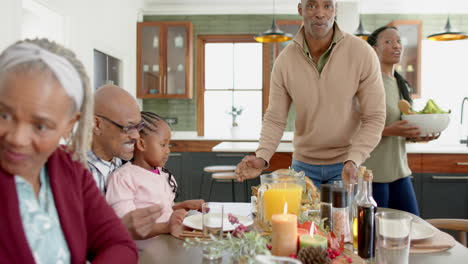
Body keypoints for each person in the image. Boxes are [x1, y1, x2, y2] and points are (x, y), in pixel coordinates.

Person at [0, 39, 137, 263]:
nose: (17, 138)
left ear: (69, 124)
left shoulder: (67, 168)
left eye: (40, 126)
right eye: (3, 115)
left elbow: (118, 244)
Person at [235, 0, 386, 188]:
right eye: (312, 6)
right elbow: (275, 118)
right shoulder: (285, 61)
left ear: (335, 10)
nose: (320, 13)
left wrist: (354, 159)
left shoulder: (362, 53)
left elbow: (374, 117)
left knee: (341, 219)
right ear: (301, 10)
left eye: (327, 6)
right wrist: (262, 157)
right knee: (301, 219)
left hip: (346, 164)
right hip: (302, 166)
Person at [364, 26, 439, 216]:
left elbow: (400, 127)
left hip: (400, 172)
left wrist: (416, 135)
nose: (396, 46)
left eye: (398, 41)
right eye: (388, 42)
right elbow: (353, 128)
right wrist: (391, 131)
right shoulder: (367, 83)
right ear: (374, 49)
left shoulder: (400, 83)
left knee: (412, 227)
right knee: (375, 238)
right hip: (373, 175)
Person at [106, 111, 204, 240]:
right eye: (163, 145)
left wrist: (182, 206)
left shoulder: (162, 174)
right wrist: (167, 226)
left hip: (166, 241)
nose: (168, 150)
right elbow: (127, 226)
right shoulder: (123, 177)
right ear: (141, 144)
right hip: (143, 249)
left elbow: (162, 211)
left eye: (168, 145)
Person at [88, 84, 163, 240]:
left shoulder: (125, 164)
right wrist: (121, 229)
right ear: (97, 124)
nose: (136, 136)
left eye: (138, 127)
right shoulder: (74, 172)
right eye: (128, 128)